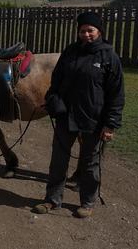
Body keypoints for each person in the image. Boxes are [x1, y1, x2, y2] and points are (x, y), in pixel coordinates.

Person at [33, 11, 125, 218]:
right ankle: (52, 200)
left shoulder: (109, 56)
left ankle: (87, 202)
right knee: (58, 161)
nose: (86, 34)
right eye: (82, 31)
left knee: (90, 163)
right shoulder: (70, 52)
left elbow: (117, 94)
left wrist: (110, 125)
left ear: (99, 31)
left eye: (90, 30)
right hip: (66, 116)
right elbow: (56, 81)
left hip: (94, 119)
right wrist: (53, 100)